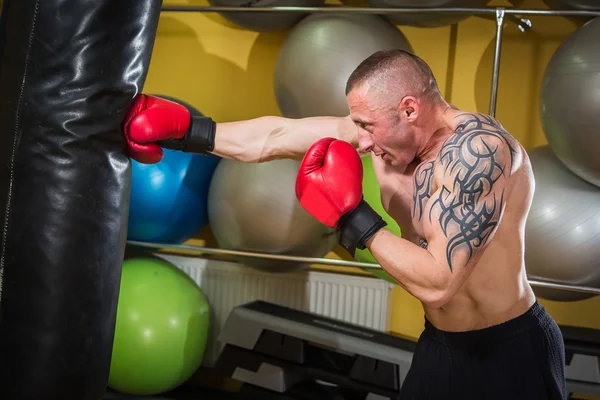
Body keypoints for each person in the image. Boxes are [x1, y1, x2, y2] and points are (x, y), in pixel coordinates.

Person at [123, 49, 566, 399]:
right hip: (441, 345)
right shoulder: (380, 133)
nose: (363, 141)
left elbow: (439, 282)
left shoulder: (478, 155)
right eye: (358, 126)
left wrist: (353, 217)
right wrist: (188, 132)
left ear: (409, 109)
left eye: (368, 126)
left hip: (509, 351)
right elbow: (275, 137)